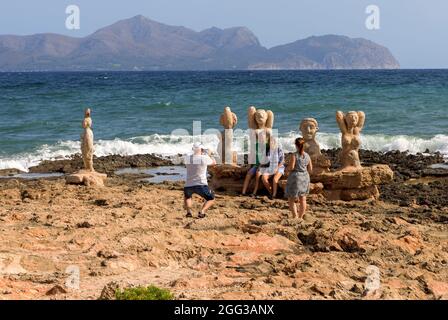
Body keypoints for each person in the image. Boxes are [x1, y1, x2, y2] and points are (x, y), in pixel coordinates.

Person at [184, 142, 216, 218]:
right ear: (201, 149)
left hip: (188, 184)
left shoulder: (187, 158)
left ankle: (188, 212)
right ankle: (202, 212)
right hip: (201, 184)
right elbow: (214, 163)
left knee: (187, 197)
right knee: (211, 199)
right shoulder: (204, 158)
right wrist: (210, 155)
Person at [285, 137, 313, 220]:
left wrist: (286, 168)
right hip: (305, 177)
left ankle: (295, 216)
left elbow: (292, 167)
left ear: (296, 145)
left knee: (291, 199)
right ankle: (300, 217)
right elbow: (310, 169)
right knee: (303, 199)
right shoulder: (307, 156)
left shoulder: (294, 155)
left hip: (296, 178)